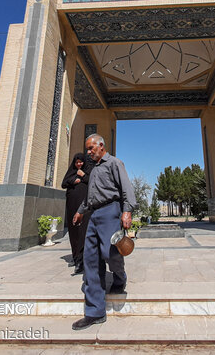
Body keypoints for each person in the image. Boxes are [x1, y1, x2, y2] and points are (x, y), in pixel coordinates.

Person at [71, 133, 136, 331]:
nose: (88, 152)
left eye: (91, 148)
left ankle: (120, 277)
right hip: (94, 215)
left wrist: (127, 211)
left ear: (101, 146)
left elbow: (127, 188)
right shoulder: (93, 169)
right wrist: (81, 211)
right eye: (87, 149)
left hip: (111, 210)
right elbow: (90, 195)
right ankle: (95, 312)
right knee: (91, 260)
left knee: (110, 253)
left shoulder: (114, 163)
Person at [61, 152, 91, 274]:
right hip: (71, 206)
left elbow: (93, 182)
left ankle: (81, 260)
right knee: (73, 231)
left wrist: (83, 176)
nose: (79, 164)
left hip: (84, 208)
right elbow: (64, 183)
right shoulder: (71, 172)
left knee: (82, 231)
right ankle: (75, 257)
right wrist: (74, 180)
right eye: (77, 162)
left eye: (81, 162)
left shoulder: (88, 172)